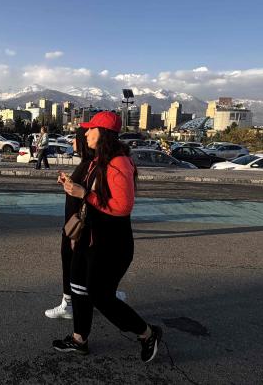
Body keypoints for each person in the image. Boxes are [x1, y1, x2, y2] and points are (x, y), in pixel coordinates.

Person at [52, 111, 162, 363]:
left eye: (91, 129)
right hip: (88, 238)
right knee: (78, 288)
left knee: (101, 296)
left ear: (104, 134)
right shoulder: (96, 161)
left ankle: (147, 334)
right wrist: (72, 186)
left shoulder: (118, 163)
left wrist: (84, 194)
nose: (86, 133)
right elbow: (90, 193)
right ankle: (79, 340)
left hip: (111, 243)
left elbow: (122, 206)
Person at [45, 127, 93, 319]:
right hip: (74, 225)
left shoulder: (88, 164)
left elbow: (84, 195)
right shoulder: (87, 163)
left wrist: (75, 234)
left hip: (75, 227)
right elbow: (78, 189)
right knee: (78, 265)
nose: (72, 142)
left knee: (71, 263)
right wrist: (67, 182)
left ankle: (69, 304)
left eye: (76, 139)